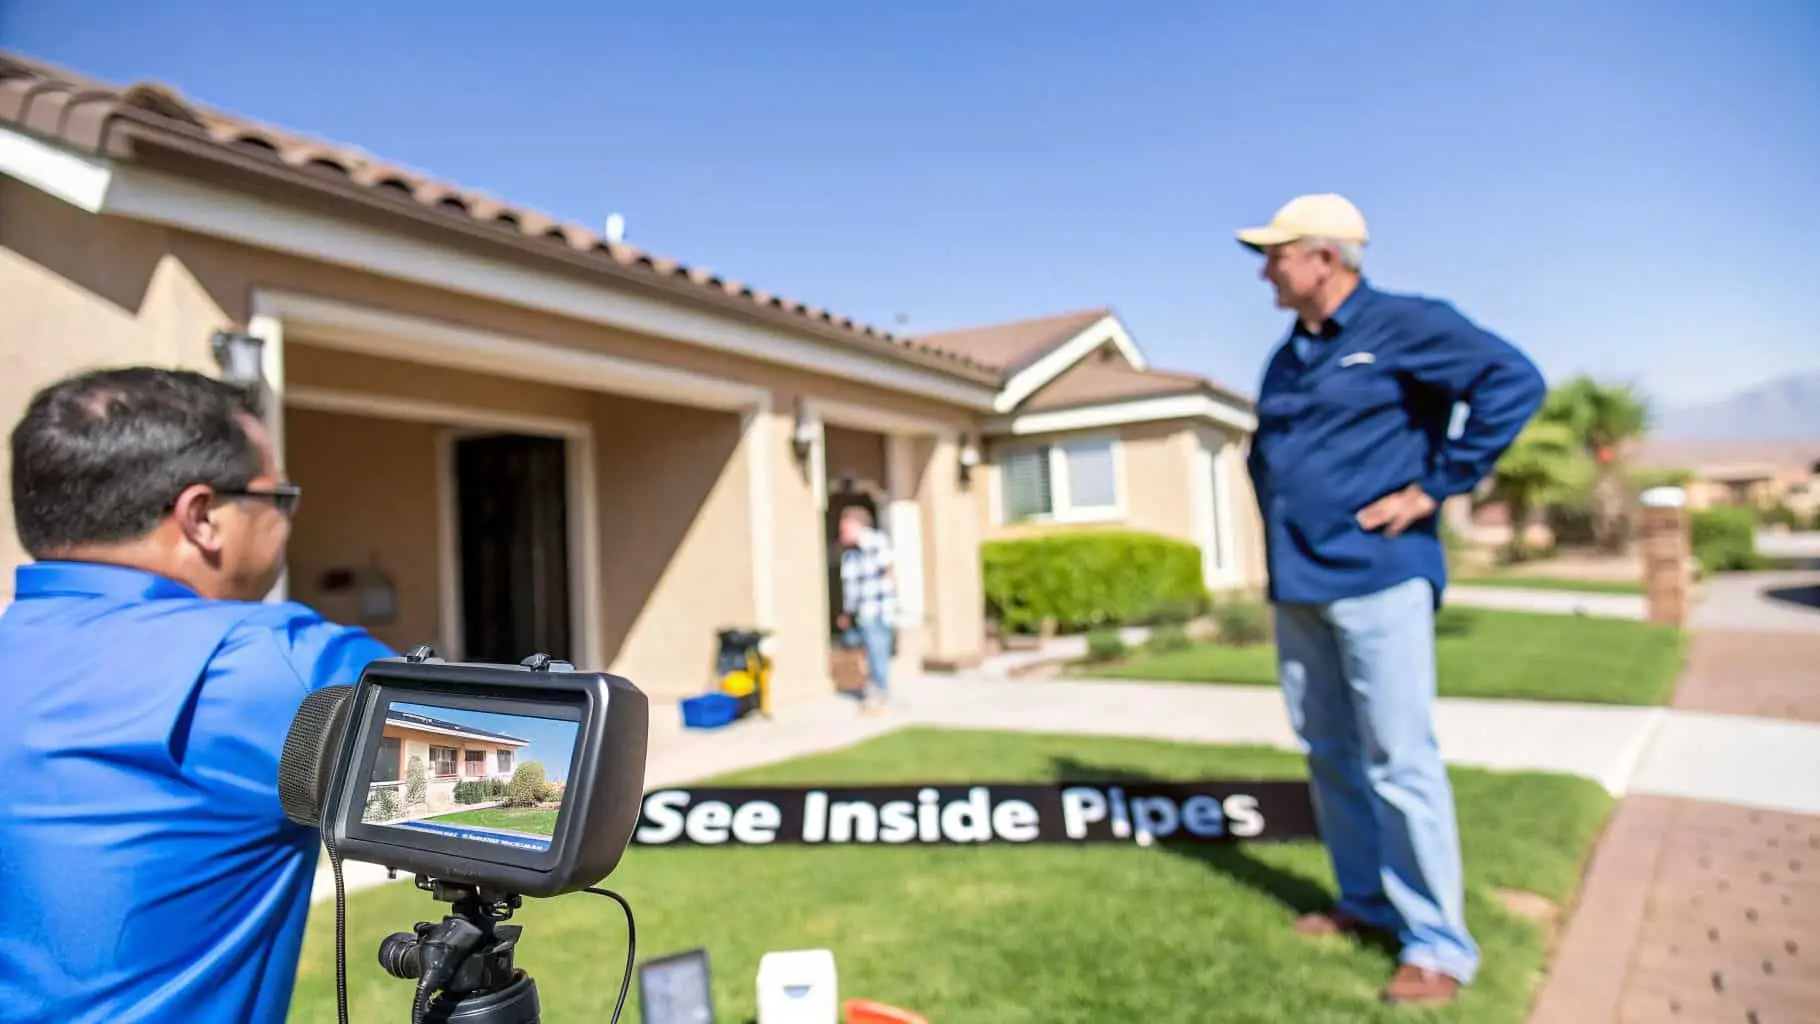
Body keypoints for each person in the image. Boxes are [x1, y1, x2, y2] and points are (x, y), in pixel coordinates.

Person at [0, 367, 395, 1023]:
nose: (286, 521)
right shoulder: (269, 663)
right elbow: (526, 782)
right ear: (203, 516)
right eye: (280, 498)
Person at [1235, 194, 1546, 1006]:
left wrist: (1435, 486)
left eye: (1276, 253)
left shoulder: (1407, 325)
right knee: (1329, 752)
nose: (1266, 268)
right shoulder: (1288, 354)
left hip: (1378, 576)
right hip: (1299, 582)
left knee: (1399, 760)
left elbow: (1514, 381)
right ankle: (1364, 900)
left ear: (1324, 259)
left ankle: (1436, 945)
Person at [834, 504, 898, 714]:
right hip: (860, 613)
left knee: (877, 652)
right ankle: (874, 689)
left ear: (857, 526)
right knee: (859, 649)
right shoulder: (850, 556)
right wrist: (847, 613)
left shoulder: (875, 543)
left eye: (845, 529)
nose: (842, 533)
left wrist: (890, 604)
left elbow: (889, 571)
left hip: (877, 611)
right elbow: (852, 588)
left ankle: (881, 695)